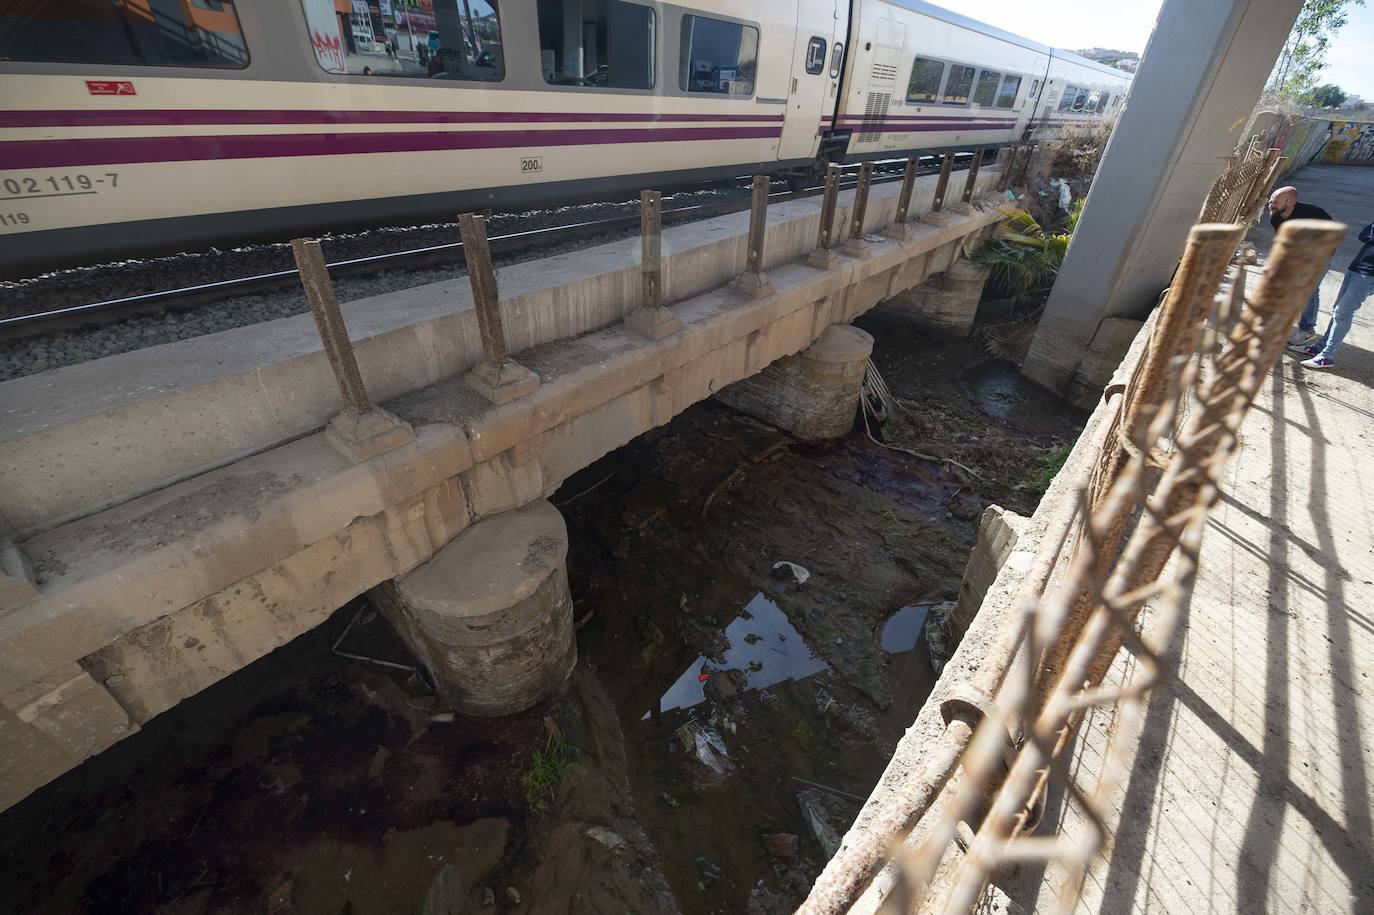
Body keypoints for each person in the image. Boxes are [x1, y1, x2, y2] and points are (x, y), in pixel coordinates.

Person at [1290, 220, 1374, 369]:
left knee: (1343, 313)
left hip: (1369, 275)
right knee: (1338, 311)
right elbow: (1364, 234)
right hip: (1357, 267)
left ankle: (1327, 356)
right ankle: (1320, 347)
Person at [1268, 186, 1334, 347]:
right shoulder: (1276, 217)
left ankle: (1307, 330)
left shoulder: (1314, 214)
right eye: (1270, 201)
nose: (1271, 204)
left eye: (1275, 201)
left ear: (1291, 201)